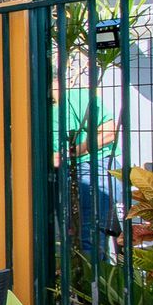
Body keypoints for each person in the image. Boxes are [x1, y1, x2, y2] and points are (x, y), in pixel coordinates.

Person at [53, 81, 118, 254]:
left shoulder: (79, 97)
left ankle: (93, 278)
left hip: (93, 166)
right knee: (71, 239)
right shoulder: (32, 107)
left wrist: (70, 153)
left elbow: (108, 133)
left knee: (90, 239)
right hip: (59, 173)